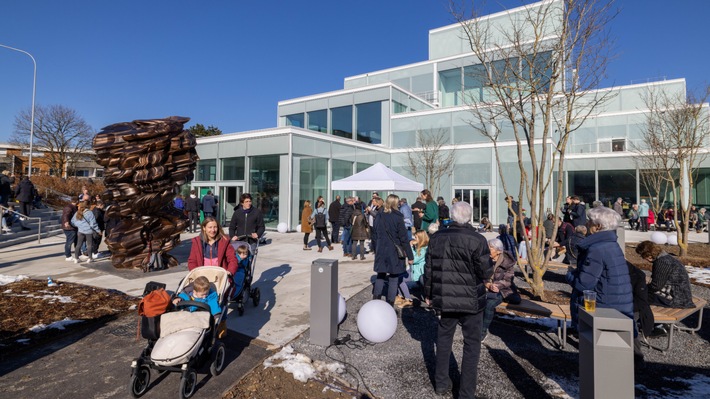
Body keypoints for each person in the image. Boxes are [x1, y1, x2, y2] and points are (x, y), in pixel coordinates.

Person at [424, 201, 491, 398]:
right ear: (469, 217)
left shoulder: (437, 238)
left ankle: (441, 384)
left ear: (452, 216)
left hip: (446, 298)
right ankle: (466, 392)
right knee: (471, 345)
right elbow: (485, 271)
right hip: (470, 299)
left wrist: (428, 294)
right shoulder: (477, 239)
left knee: (444, 340)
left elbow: (429, 270)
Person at [565, 206, 633, 332]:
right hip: (616, 305)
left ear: (598, 226)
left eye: (589, 221)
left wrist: (570, 274)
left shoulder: (596, 249)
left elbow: (584, 284)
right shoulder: (611, 244)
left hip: (603, 307)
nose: (586, 223)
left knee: (596, 348)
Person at [371, 194, 414, 305]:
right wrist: (410, 256)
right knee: (393, 277)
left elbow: (374, 235)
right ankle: (390, 303)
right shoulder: (398, 217)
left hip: (381, 249)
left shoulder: (379, 216)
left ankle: (376, 301)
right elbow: (404, 238)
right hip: (394, 251)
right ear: (396, 203)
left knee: (380, 275)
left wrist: (376, 249)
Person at [481, 238, 521, 341]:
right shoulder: (484, 259)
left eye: (490, 248)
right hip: (486, 287)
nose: (487, 249)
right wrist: (487, 284)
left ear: (498, 251)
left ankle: (483, 331)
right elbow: (479, 275)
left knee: (489, 304)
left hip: (503, 290)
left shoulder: (507, 262)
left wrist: (496, 286)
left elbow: (508, 280)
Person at [635, 240, 694, 308]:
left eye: (643, 256)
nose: (644, 259)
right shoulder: (665, 257)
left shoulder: (662, 262)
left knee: (638, 294)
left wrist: (642, 288)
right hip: (682, 296)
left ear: (648, 255)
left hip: (677, 300)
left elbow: (656, 286)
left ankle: (636, 317)